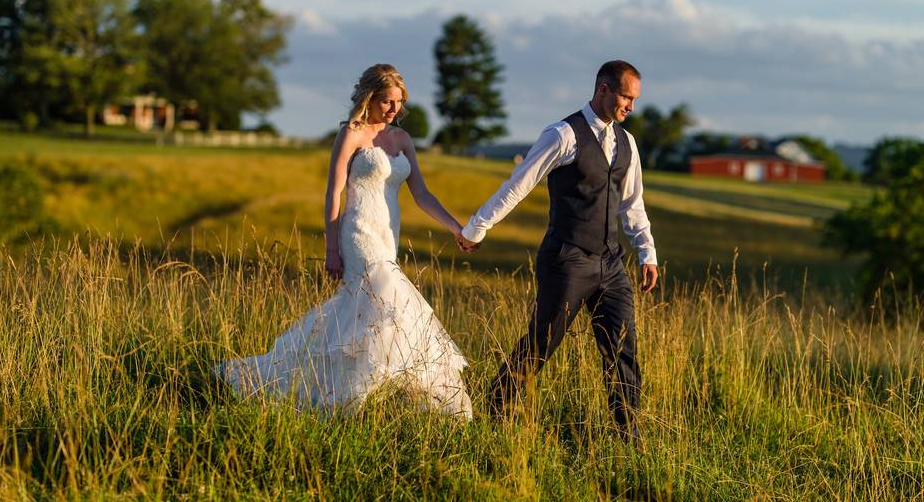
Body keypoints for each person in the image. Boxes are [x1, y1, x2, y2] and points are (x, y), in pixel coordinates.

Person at [220, 64, 473, 418]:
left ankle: (338, 385)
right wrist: (331, 250)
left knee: (360, 313)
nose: (393, 109)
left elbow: (422, 194)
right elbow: (333, 193)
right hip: (357, 232)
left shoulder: (401, 140)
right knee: (390, 301)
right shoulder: (352, 134)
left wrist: (456, 228)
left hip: (388, 235)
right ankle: (353, 395)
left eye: (398, 102)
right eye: (386, 101)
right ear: (370, 98)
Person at [456, 59, 658, 436]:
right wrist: (477, 227)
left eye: (634, 99)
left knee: (622, 349)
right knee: (542, 343)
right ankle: (495, 409)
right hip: (567, 258)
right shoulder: (563, 134)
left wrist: (646, 252)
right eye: (626, 97)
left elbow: (633, 204)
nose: (631, 106)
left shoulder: (627, 143)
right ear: (603, 90)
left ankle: (627, 435)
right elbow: (519, 184)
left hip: (611, 264)